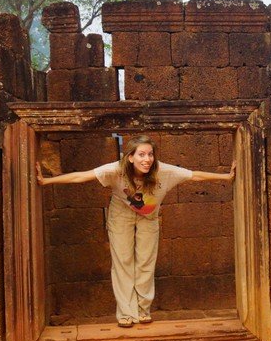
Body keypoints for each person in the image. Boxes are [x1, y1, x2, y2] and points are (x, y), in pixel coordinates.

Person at [35, 135, 235, 327]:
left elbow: (195, 176)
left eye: (150, 154)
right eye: (141, 154)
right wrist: (46, 181)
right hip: (121, 214)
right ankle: (126, 313)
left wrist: (227, 176)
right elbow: (82, 177)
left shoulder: (163, 171)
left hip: (149, 217)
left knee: (146, 261)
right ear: (130, 157)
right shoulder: (116, 170)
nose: (147, 159)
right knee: (123, 261)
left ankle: (142, 310)